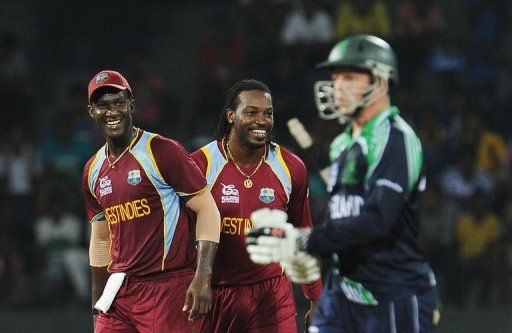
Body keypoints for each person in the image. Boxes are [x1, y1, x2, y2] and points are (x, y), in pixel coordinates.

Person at [247, 35, 439, 332]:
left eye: (349, 77)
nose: (338, 88)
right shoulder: (341, 145)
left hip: (392, 292)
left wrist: (304, 240)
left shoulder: (395, 138)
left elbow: (377, 221)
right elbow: (343, 218)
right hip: (344, 291)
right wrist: (311, 254)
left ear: (382, 81)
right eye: (335, 78)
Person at [82, 70, 220, 333]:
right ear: (92, 111)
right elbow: (101, 239)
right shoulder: (92, 169)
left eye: (118, 103)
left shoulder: (161, 150)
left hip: (167, 286)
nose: (112, 112)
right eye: (103, 105)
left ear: (131, 105)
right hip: (120, 289)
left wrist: (203, 275)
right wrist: (97, 304)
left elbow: (207, 209)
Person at [191, 79, 322, 332]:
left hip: (271, 295)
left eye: (268, 113)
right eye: (251, 112)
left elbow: (302, 231)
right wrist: (195, 280)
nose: (262, 120)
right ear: (231, 116)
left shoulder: (291, 167)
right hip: (215, 294)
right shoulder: (200, 164)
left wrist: (316, 297)